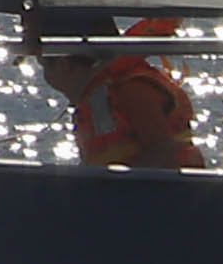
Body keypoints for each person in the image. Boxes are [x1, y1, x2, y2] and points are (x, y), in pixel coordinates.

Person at [34, 10, 205, 171]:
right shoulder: (97, 99)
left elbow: (162, 153)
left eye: (44, 67)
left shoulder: (132, 91)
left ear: (63, 65)